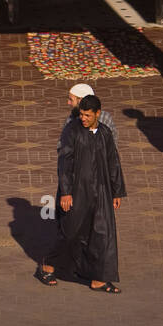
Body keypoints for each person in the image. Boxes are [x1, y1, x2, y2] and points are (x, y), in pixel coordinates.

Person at [37, 94, 126, 293]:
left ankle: (98, 279)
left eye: (87, 115)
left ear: (98, 114)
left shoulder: (105, 133)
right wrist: (66, 193)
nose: (83, 118)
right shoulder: (72, 131)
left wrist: (116, 191)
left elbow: (113, 162)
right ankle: (47, 266)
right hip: (77, 193)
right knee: (71, 233)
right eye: (81, 114)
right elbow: (65, 162)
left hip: (101, 192)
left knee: (102, 235)